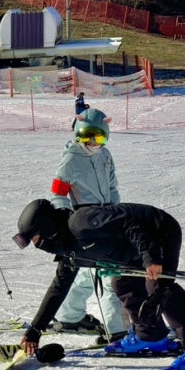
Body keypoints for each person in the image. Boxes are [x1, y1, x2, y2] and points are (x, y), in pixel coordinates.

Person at [12, 199, 185, 370]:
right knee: (123, 283)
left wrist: (150, 258)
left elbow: (131, 224)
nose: (38, 246)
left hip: (159, 231)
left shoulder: (80, 222)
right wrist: (35, 329)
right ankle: (151, 336)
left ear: (47, 228)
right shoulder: (68, 251)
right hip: (132, 249)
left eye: (36, 239)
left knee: (159, 286)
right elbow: (58, 288)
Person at [48, 108, 127, 343]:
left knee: (87, 271)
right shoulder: (72, 158)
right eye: (86, 136)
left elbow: (112, 186)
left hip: (107, 217)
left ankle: (69, 316)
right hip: (85, 219)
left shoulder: (105, 155)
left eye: (98, 137)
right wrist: (66, 219)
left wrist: (117, 213)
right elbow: (58, 193)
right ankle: (116, 329)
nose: (92, 143)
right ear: (77, 134)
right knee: (107, 272)